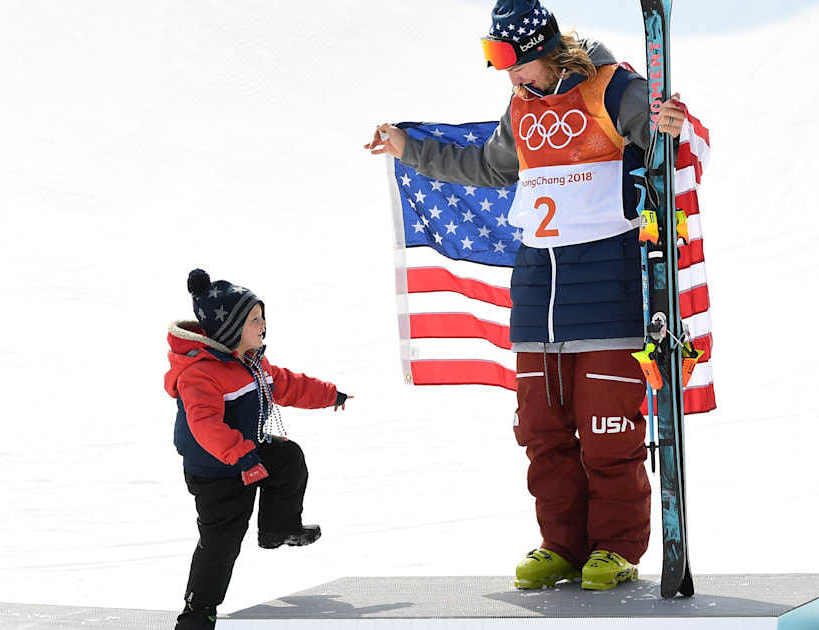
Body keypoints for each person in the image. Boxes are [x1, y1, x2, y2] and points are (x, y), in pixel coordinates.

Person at [364, 0, 690, 592]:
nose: (505, 73)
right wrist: (408, 149)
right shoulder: (521, 108)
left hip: (607, 292)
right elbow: (486, 168)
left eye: (510, 60)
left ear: (545, 50)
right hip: (537, 292)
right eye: (495, 59)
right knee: (542, 433)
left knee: (608, 434)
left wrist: (674, 126)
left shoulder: (614, 90)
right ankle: (561, 545)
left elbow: (679, 146)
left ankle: (616, 547)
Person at [165, 268, 351, 630]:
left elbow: (286, 384)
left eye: (262, 316)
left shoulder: (251, 362)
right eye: (254, 319)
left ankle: (278, 529)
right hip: (216, 471)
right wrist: (242, 456)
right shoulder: (201, 374)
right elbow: (206, 426)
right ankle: (198, 611)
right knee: (221, 541)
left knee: (288, 458)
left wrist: (330, 394)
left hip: (246, 453)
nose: (262, 324)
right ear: (230, 329)